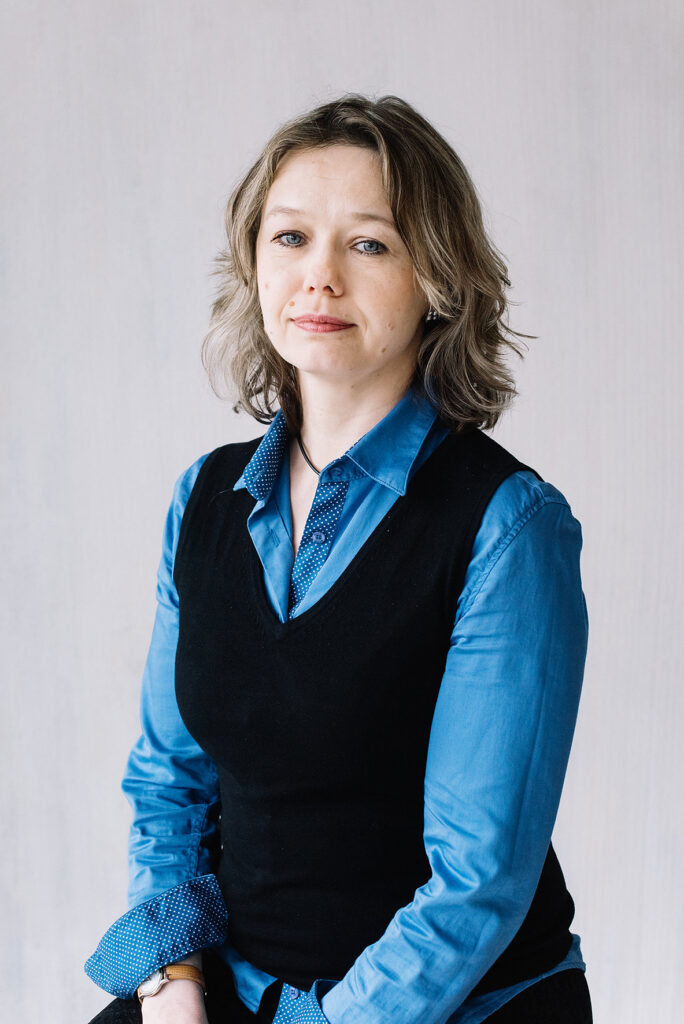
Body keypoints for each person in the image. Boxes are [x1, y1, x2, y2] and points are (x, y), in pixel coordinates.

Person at [84, 93, 592, 1024]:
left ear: (437, 279)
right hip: (233, 987)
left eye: (369, 244)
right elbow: (169, 783)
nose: (318, 276)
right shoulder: (203, 498)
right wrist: (172, 983)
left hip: (454, 1005)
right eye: (290, 237)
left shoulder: (509, 527)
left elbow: (477, 881)